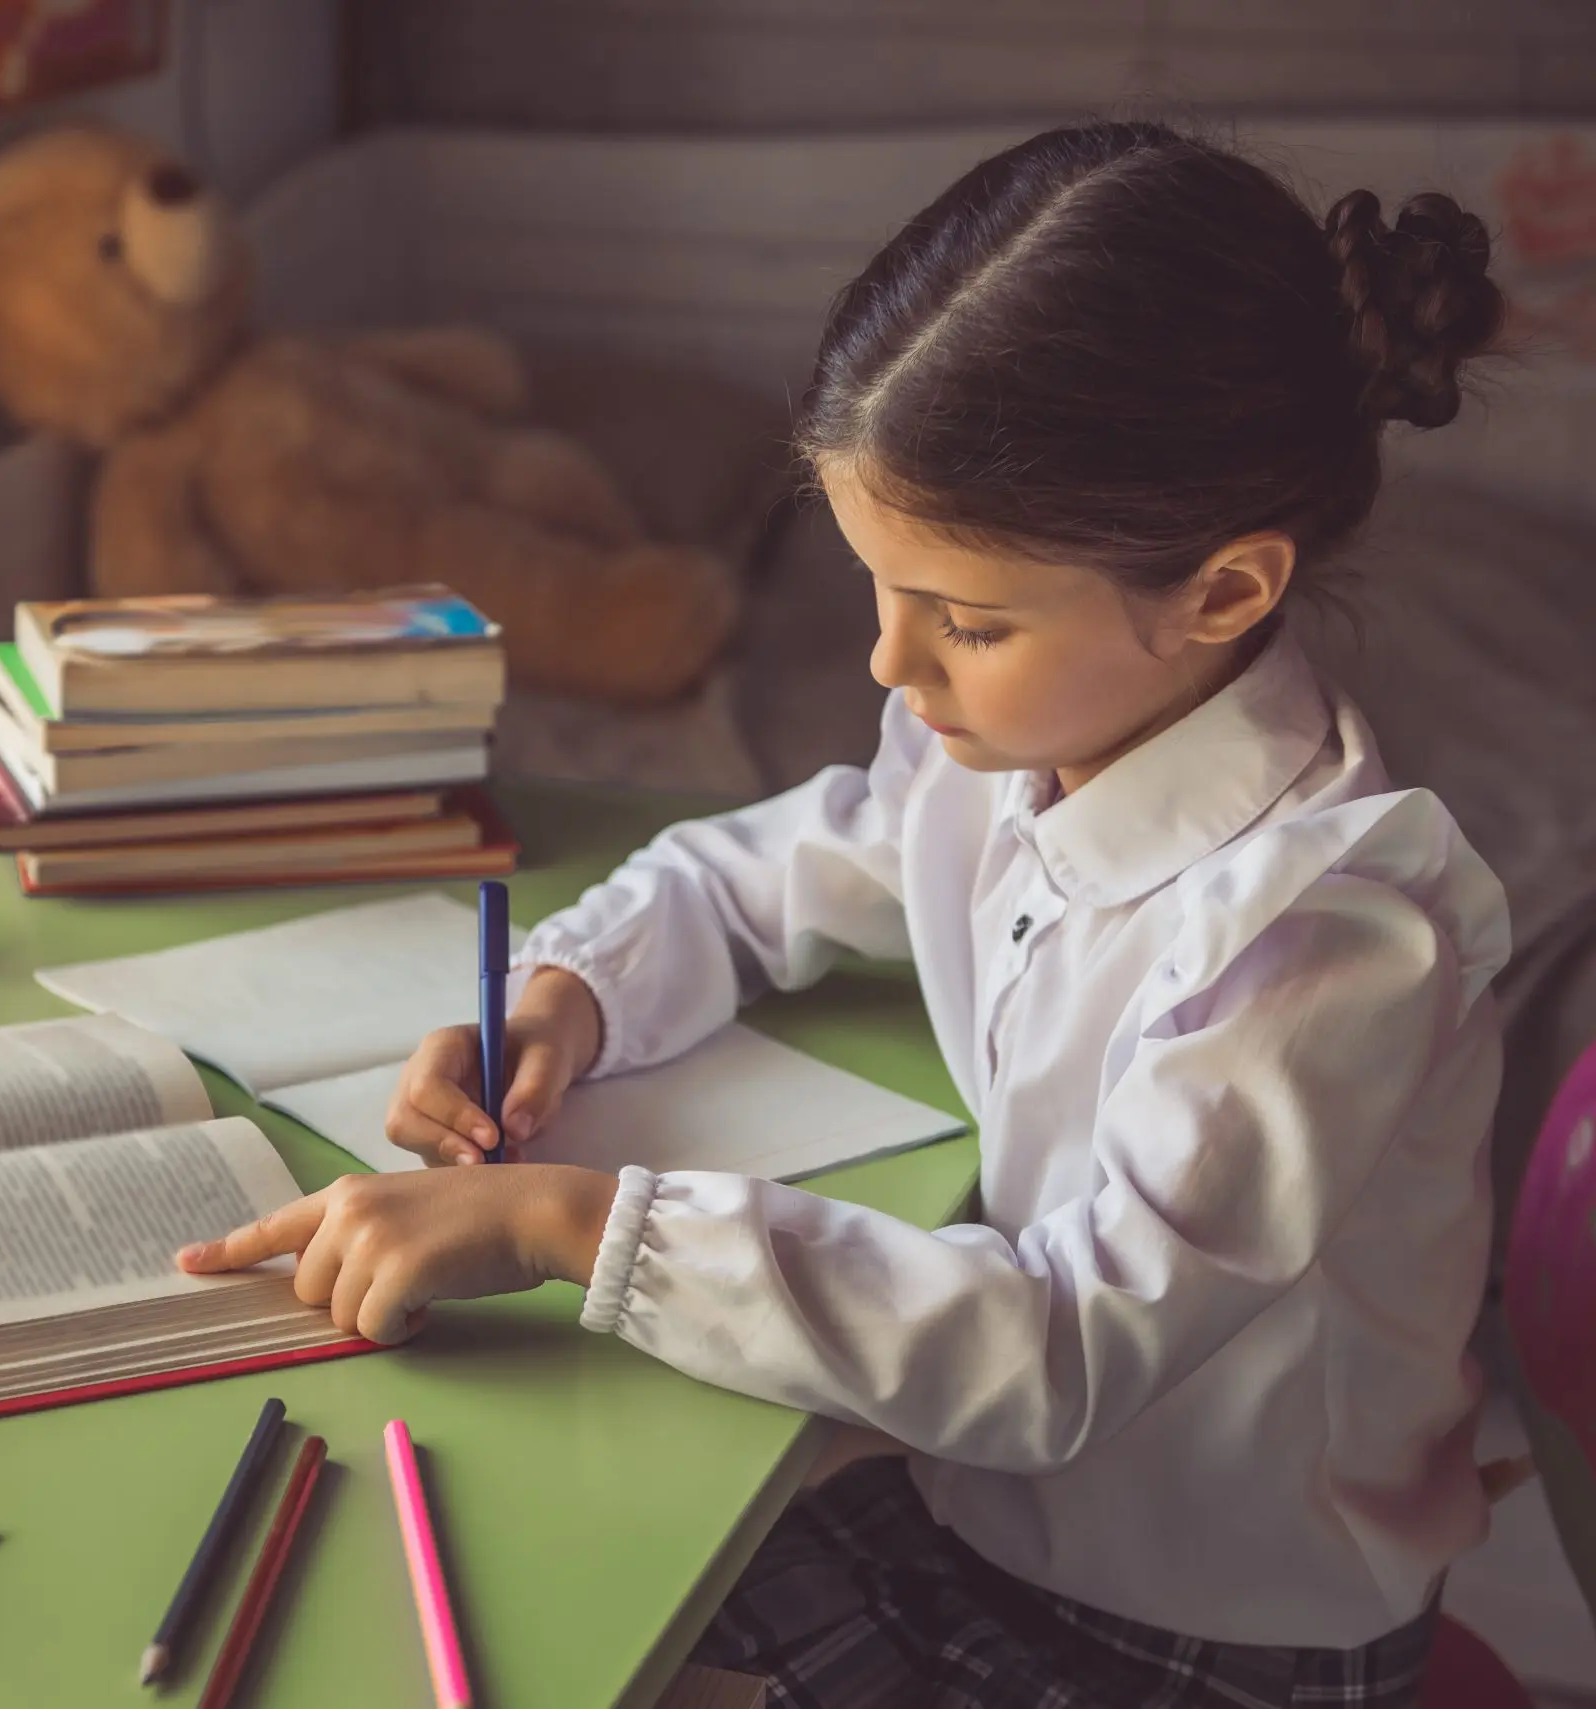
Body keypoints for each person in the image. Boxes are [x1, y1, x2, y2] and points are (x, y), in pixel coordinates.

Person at [176, 121, 1515, 1707]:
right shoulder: (1005, 744)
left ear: (1223, 593)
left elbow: (1063, 1349)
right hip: (994, 1515)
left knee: (572, 1637)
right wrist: (568, 996)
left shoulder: (1332, 930)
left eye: (965, 619)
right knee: (525, 1571)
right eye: (878, 588)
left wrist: (564, 1221)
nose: (891, 664)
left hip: (1205, 1638)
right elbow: (761, 876)